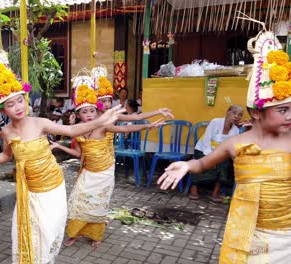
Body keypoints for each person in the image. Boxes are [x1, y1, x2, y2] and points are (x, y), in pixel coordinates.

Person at [157, 29, 290, 263]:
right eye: (283, 109)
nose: (290, 115)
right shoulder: (236, 143)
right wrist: (187, 166)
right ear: (256, 112)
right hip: (251, 237)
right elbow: (202, 162)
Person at [0, 62, 125, 264]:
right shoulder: (6, 132)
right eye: (10, 104)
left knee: (50, 232)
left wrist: (100, 122)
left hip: (52, 187)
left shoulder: (40, 123)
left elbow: (70, 131)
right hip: (30, 190)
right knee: (30, 233)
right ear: (3, 109)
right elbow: (8, 156)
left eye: (20, 101)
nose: (18, 107)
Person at [50, 84, 164, 248]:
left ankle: (96, 235)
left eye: (92, 110)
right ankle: (75, 233)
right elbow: (79, 154)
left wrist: (148, 125)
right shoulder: (77, 129)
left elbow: (129, 125)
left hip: (105, 170)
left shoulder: (104, 125)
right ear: (77, 114)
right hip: (88, 170)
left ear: (97, 110)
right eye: (84, 111)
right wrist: (59, 146)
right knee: (78, 201)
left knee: (98, 204)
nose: (89, 115)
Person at [189, 105, 244, 202]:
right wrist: (211, 157)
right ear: (228, 112)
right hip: (203, 149)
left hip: (219, 153)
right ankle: (194, 187)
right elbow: (206, 139)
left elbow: (232, 146)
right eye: (234, 113)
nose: (236, 116)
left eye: (240, 115)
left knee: (225, 164)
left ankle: (215, 192)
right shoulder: (215, 122)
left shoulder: (235, 130)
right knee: (203, 162)